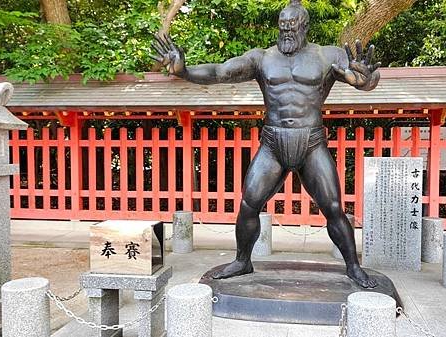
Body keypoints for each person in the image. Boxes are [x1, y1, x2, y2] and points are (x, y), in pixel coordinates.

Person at [152, 0, 381, 288]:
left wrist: (367, 79)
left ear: (305, 26)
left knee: (333, 207)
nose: (286, 32)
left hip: (310, 142)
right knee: (249, 204)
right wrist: (184, 72)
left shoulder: (328, 56)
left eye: (292, 27)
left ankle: (353, 267)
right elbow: (221, 72)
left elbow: (364, 77)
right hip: (273, 143)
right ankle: (242, 260)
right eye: (282, 27)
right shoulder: (263, 58)